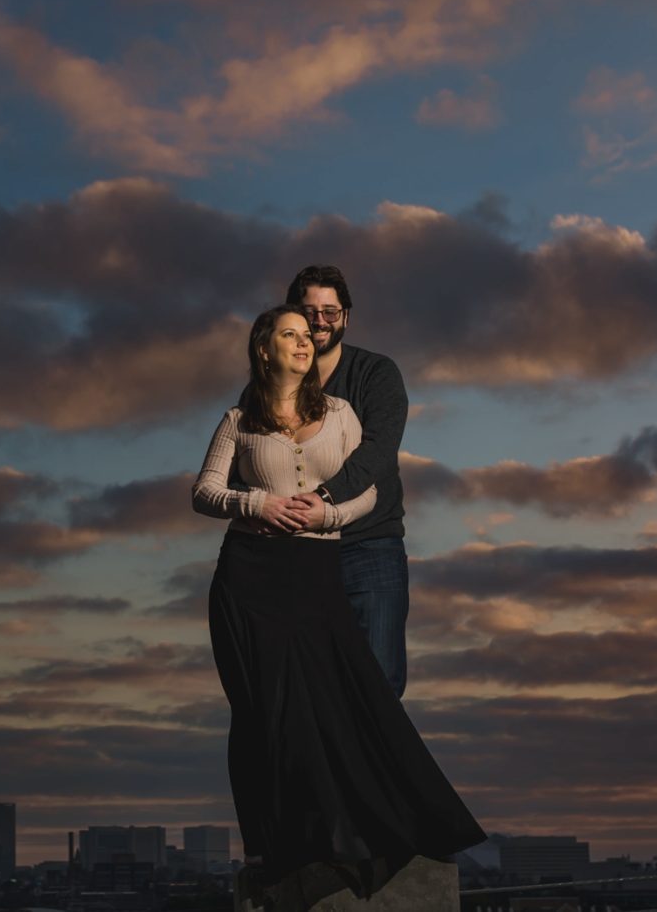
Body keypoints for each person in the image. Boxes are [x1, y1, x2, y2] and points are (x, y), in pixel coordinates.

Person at [194, 305, 482, 886]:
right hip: (248, 577)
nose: (304, 343)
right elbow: (205, 492)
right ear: (264, 349)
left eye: (308, 335)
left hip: (316, 570)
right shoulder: (237, 420)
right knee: (262, 711)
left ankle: (354, 829)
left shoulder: (341, 413)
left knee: (337, 698)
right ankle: (270, 844)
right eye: (291, 335)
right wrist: (257, 502)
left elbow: (369, 492)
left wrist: (327, 515)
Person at [280, 264, 411, 696]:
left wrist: (325, 498)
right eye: (309, 312)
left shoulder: (376, 373)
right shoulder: (269, 386)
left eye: (330, 312)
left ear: (346, 317)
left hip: (369, 545)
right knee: (307, 688)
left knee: (378, 685)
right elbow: (250, 460)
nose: (319, 321)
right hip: (295, 551)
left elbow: (377, 451)